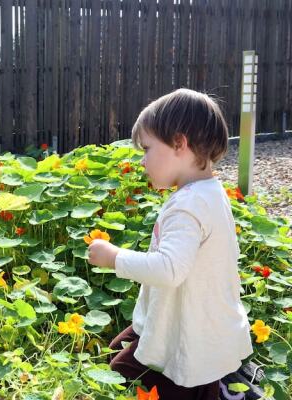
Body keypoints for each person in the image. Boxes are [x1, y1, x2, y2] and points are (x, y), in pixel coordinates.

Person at [87, 88, 253, 399]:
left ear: (179, 143)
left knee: (129, 372)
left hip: (192, 333)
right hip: (190, 316)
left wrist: (114, 258)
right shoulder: (209, 192)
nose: (142, 161)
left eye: (147, 149)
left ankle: (222, 390)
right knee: (117, 355)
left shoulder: (188, 205)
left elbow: (169, 270)